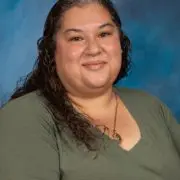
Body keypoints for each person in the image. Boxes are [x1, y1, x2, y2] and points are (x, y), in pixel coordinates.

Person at [0, 0, 180, 179]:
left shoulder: (150, 106)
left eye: (104, 34)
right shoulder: (24, 116)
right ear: (52, 52)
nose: (94, 49)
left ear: (120, 44)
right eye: (76, 38)